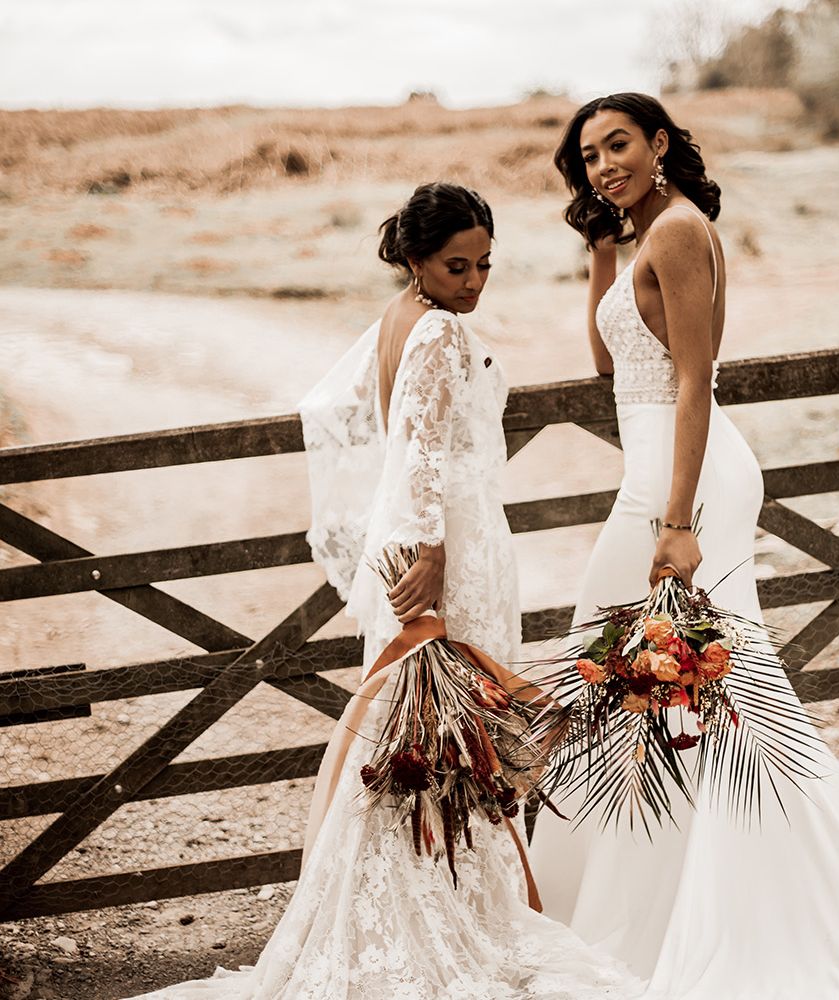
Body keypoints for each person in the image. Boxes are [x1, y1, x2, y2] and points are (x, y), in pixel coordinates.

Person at [527, 93, 839, 999]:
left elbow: (697, 379)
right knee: (635, 693)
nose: (602, 165)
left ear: (659, 142)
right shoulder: (639, 237)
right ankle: (631, 898)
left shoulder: (678, 230)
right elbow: (608, 367)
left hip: (689, 481)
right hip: (654, 471)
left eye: (617, 145)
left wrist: (676, 522)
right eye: (587, 156)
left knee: (698, 693)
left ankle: (734, 902)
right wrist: (596, 250)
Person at [126, 183, 641, 999]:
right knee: (444, 739)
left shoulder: (399, 318)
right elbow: (420, 452)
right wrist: (430, 557)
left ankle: (436, 903)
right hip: (450, 551)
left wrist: (413, 541)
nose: (473, 283)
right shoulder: (435, 329)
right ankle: (442, 916)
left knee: (431, 740)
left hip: (434, 537)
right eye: (454, 265)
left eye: (484, 266)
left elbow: (390, 440)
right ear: (414, 259)